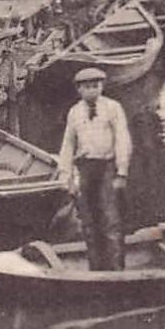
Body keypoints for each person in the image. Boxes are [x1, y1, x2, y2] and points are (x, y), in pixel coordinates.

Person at [57, 67, 132, 271]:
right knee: (88, 222)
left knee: (110, 219)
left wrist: (121, 171)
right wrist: (68, 177)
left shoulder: (113, 108)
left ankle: (116, 269)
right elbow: (68, 145)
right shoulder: (75, 112)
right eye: (87, 87)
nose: (92, 91)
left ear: (102, 87)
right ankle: (96, 268)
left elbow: (122, 139)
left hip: (107, 166)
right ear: (79, 89)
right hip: (85, 168)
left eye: (96, 86)